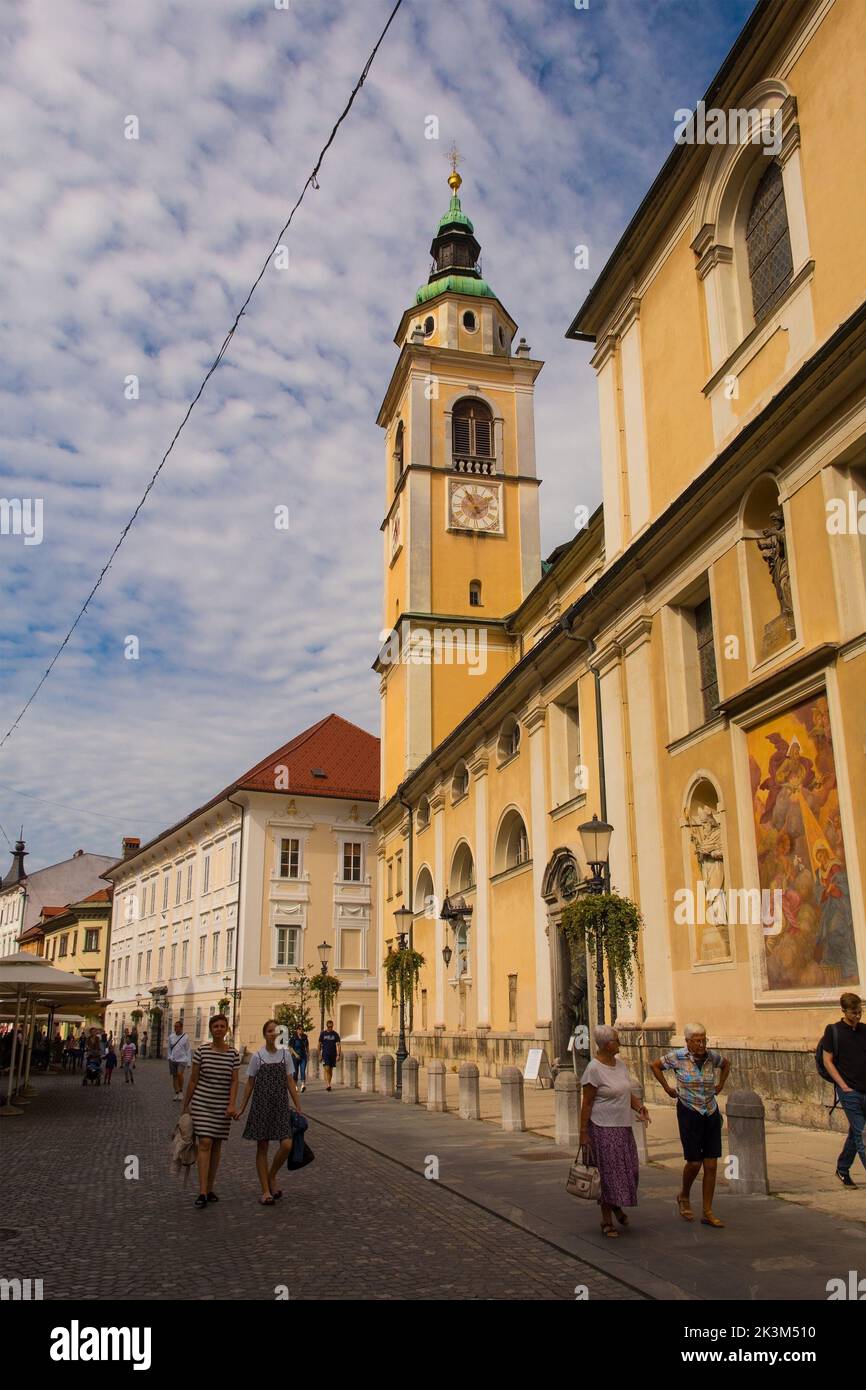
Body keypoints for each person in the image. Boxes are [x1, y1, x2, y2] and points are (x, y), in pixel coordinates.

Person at [651, 1023, 730, 1228]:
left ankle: (707, 1211)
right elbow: (655, 1065)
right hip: (689, 1110)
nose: (701, 1044)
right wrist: (667, 1088)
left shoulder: (712, 1057)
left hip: (710, 1111)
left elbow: (726, 1064)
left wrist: (720, 1085)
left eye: (704, 1039)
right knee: (694, 1162)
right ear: (687, 1042)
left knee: (711, 1164)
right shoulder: (677, 1057)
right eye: (697, 1040)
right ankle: (684, 1195)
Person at [579, 1026, 649, 1237]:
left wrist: (639, 1107)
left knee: (630, 1171)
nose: (620, 1043)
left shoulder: (620, 1066)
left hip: (623, 1127)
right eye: (617, 1040)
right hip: (602, 1128)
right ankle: (606, 1220)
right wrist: (583, 1132)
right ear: (608, 1044)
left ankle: (616, 1205)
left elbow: (626, 1092)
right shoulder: (593, 1069)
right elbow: (587, 1103)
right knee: (609, 1175)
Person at [234, 1020, 303, 1204]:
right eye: (269, 1031)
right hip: (261, 1105)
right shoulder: (258, 1056)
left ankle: (272, 1175)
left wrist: (298, 1104)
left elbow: (290, 1081)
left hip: (281, 1105)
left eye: (276, 1031)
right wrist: (242, 1107)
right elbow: (250, 1083)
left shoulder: (285, 1055)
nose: (273, 1034)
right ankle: (265, 1190)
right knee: (262, 1147)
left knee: (287, 1145)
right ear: (264, 1034)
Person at [183, 1014, 240, 1209]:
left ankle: (209, 1186)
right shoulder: (201, 1052)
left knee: (216, 1146)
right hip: (202, 1102)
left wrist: (232, 1104)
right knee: (205, 1142)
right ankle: (202, 1191)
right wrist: (186, 1104)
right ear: (211, 1029)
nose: (219, 1029)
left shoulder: (233, 1054)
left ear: (226, 1030)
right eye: (215, 1026)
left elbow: (234, 1081)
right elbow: (193, 1079)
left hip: (222, 1104)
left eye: (222, 1026)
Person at [821, 992, 866, 1187]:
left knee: (856, 1132)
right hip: (849, 1091)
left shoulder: (864, 1030)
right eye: (854, 1012)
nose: (858, 1016)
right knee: (862, 1134)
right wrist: (843, 1085)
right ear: (844, 1011)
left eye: (860, 1012)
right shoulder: (833, 1031)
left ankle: (842, 1168)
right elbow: (827, 1060)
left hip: (865, 1088)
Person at [168, 1023, 192, 1101]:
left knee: (179, 1074)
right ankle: (176, 1092)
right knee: (174, 1076)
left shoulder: (185, 1037)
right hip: (173, 1059)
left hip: (182, 1060)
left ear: (181, 1027)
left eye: (177, 1026)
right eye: (175, 1026)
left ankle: (181, 1091)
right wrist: (169, 1057)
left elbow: (188, 1049)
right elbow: (169, 1048)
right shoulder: (171, 1036)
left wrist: (189, 1062)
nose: (175, 1028)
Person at [318, 1019, 341, 1091]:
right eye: (328, 1027)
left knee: (330, 1070)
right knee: (327, 1068)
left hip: (333, 1054)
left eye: (331, 1027)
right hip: (325, 1054)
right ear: (326, 1026)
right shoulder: (323, 1034)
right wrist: (319, 1054)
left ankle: (329, 1082)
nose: (330, 1028)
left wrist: (338, 1055)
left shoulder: (335, 1034)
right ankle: (328, 1084)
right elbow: (319, 1044)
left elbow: (338, 1045)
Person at [290, 1026, 309, 1093]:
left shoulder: (305, 1037)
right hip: (295, 1057)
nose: (301, 1030)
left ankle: (303, 1085)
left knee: (303, 1070)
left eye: (302, 1029)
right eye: (299, 1029)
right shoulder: (294, 1038)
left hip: (303, 1056)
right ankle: (295, 1086)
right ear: (297, 1030)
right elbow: (291, 1048)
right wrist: (296, 1054)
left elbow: (307, 1046)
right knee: (295, 1072)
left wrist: (308, 1053)